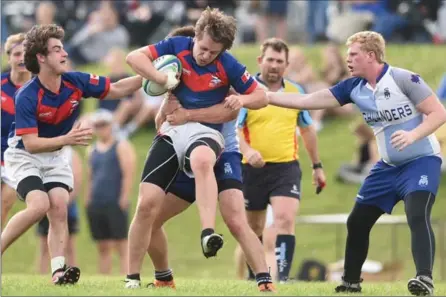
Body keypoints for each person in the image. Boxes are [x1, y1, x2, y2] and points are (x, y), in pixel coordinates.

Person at [267, 31, 446, 296]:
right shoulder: (353, 87)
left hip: (422, 162)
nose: (347, 59)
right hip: (387, 167)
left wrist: (413, 135)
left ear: (371, 56)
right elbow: (306, 101)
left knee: (417, 214)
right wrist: (268, 97)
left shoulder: (403, 79)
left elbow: (439, 113)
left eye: (353, 54)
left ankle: (424, 279)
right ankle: (350, 283)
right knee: (357, 221)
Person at [124, 8, 268, 288]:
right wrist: (163, 84)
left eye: (214, 52)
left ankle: (264, 279)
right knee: (148, 212)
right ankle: (161, 277)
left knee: (236, 218)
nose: (206, 56)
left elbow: (238, 108)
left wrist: (241, 101)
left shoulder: (228, 68)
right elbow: (158, 115)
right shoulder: (177, 57)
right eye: (203, 49)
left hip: (220, 149)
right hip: (184, 145)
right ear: (194, 38)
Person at [1, 24, 143, 286]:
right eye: (56, 49)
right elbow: (31, 144)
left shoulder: (75, 81)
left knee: (58, 205)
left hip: (55, 155)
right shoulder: (27, 95)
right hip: (24, 156)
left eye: (63, 48)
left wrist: (152, 77)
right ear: (41, 58)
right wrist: (66, 140)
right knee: (39, 205)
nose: (64, 53)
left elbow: (119, 88)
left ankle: (57, 272)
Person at [234, 38, 326, 283]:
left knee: (285, 219)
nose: (274, 65)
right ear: (260, 60)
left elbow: (307, 129)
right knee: (253, 227)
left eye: (279, 61)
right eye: (270, 60)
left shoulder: (296, 92)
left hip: (286, 168)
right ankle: (255, 276)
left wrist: (317, 166)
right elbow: (235, 129)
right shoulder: (247, 90)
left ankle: (283, 278)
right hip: (251, 169)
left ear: (286, 65)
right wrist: (248, 150)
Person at [85, 109, 136, 275]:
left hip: (114, 199)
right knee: (103, 244)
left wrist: (124, 196)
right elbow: (90, 176)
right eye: (97, 126)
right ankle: (104, 276)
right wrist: (88, 197)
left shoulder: (121, 146)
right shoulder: (91, 150)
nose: (101, 129)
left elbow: (128, 172)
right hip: (97, 201)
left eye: (104, 125)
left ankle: (127, 274)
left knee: (121, 242)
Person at [1, 33, 32, 230]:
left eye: (25, 54)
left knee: (6, 202)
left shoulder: (39, 87)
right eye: (17, 54)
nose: (21, 59)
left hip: (21, 155)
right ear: (9, 57)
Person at [36, 147, 81, 274]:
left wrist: (65, 201)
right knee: (43, 245)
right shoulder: (42, 150)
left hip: (66, 204)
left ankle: (71, 272)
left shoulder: (71, 153)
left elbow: (77, 179)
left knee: (70, 244)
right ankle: (43, 273)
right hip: (45, 202)